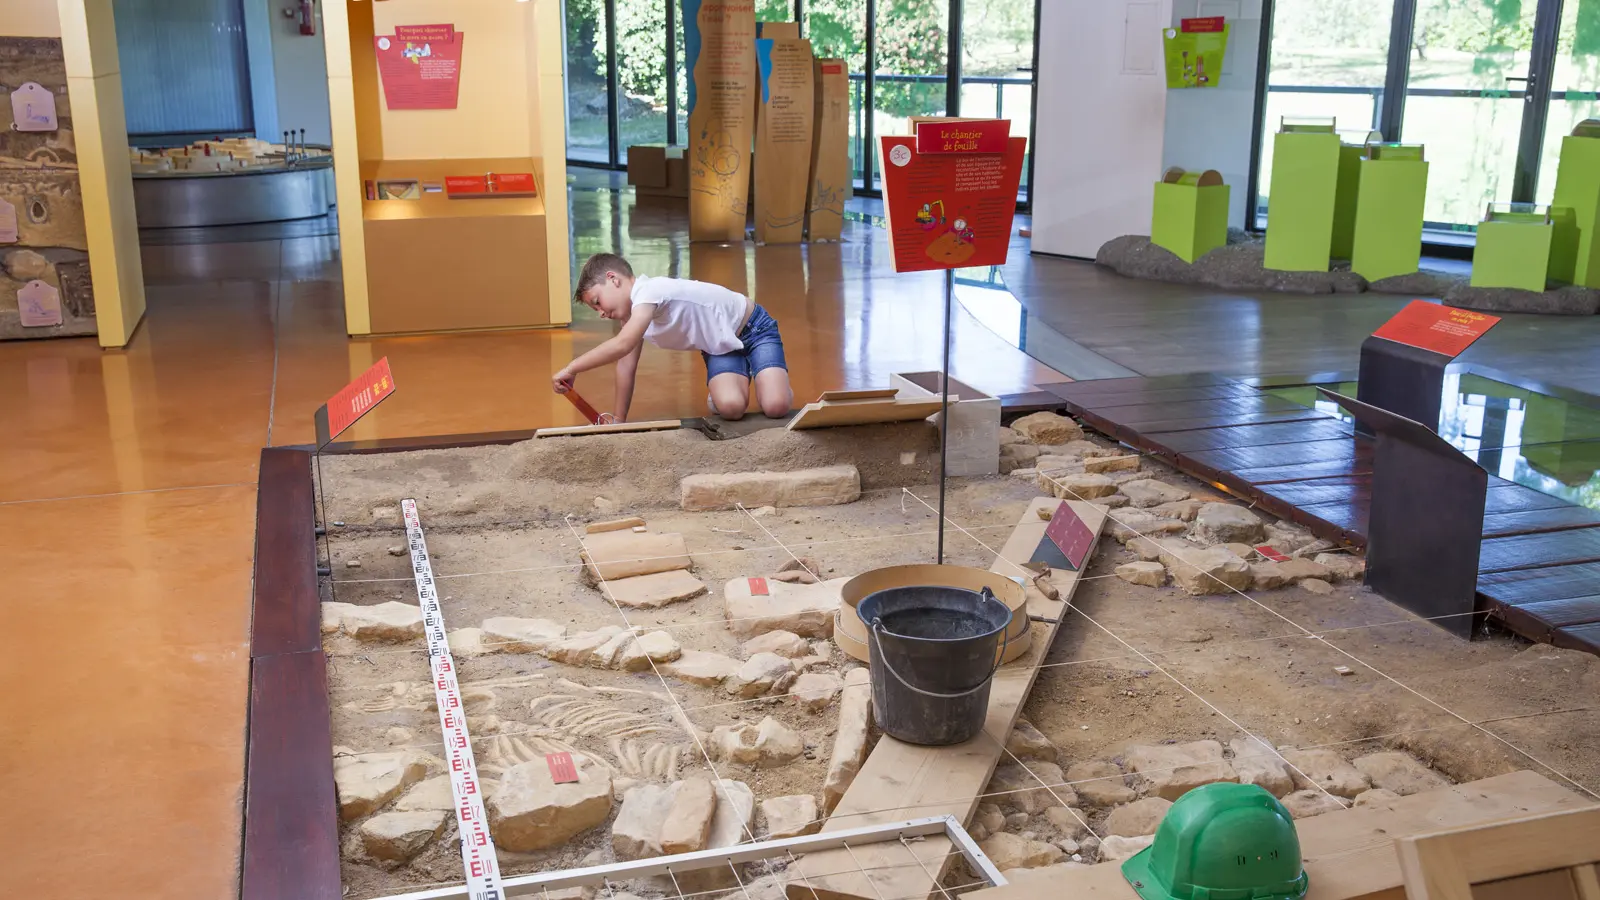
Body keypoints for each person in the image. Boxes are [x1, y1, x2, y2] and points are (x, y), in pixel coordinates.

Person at [555, 253, 793, 423]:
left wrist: (573, 367)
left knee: (776, 406)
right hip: (720, 347)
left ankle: (773, 381)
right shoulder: (631, 319)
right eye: (595, 310)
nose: (601, 313)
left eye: (597, 302)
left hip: (755, 329)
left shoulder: (649, 291)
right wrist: (619, 419)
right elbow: (625, 366)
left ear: (613, 279)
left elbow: (621, 345)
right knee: (731, 408)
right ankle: (728, 390)